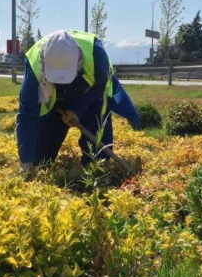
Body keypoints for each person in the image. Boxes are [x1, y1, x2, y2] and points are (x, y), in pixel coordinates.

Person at [16, 30, 140, 178]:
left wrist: (77, 110)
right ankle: (39, 164)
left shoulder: (96, 52)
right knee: (41, 153)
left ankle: (96, 171)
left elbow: (100, 86)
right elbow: (26, 116)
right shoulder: (34, 64)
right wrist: (26, 161)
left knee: (97, 145)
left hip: (91, 93)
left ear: (78, 60)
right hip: (51, 92)